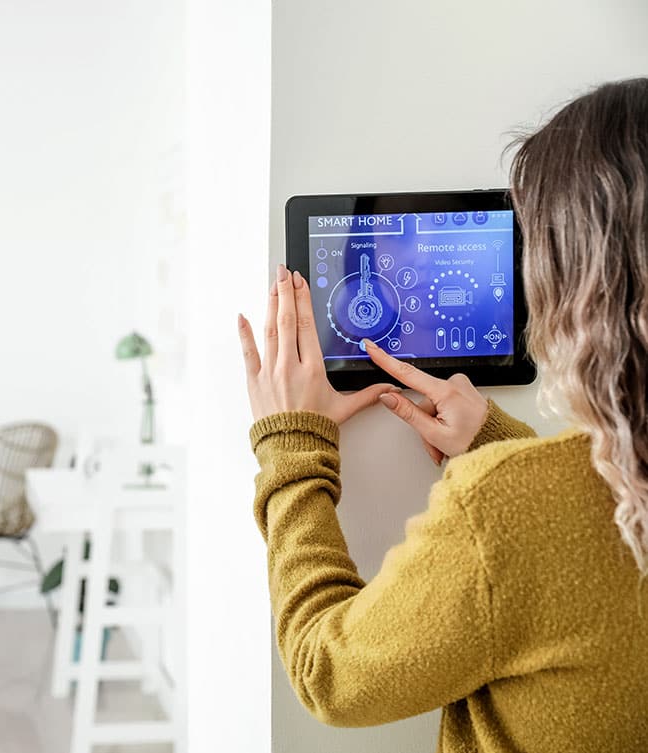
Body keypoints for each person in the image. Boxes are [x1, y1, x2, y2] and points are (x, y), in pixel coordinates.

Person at [237, 78, 648, 752]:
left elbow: (330, 673)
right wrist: (495, 440)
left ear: (577, 285)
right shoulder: (529, 496)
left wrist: (292, 448)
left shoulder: (501, 511)